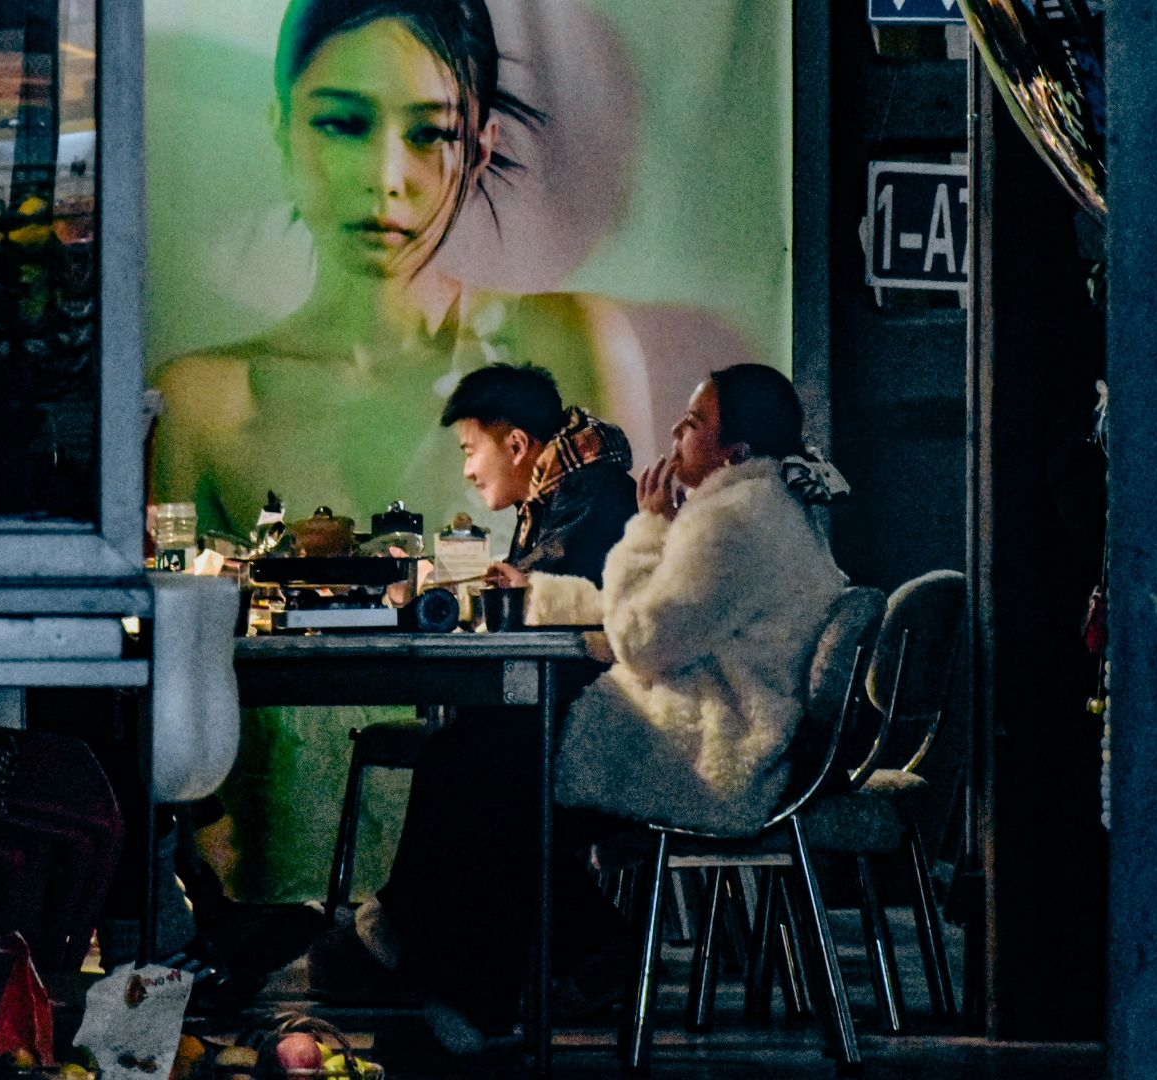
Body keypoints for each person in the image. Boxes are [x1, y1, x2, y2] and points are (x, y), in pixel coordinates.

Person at [151, 0, 754, 909]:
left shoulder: (572, 345)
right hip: (273, 905)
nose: (385, 178)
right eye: (343, 123)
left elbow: (624, 625)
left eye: (427, 134)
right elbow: (175, 690)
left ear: (479, 144)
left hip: (519, 870)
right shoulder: (205, 399)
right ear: (284, 128)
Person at [318, 363, 847, 1055]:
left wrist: (650, 530)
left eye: (693, 424)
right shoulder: (756, 510)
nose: (677, 434)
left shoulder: (733, 524)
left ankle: (463, 987)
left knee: (487, 765)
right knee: (479, 754)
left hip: (715, 751)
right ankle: (470, 969)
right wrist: (543, 595)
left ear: (735, 453)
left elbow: (641, 638)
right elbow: (648, 616)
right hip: (721, 727)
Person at [440, 363, 636, 586]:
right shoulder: (547, 500)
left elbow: (537, 594)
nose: (468, 471)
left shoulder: (589, 494)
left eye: (470, 452)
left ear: (517, 446)